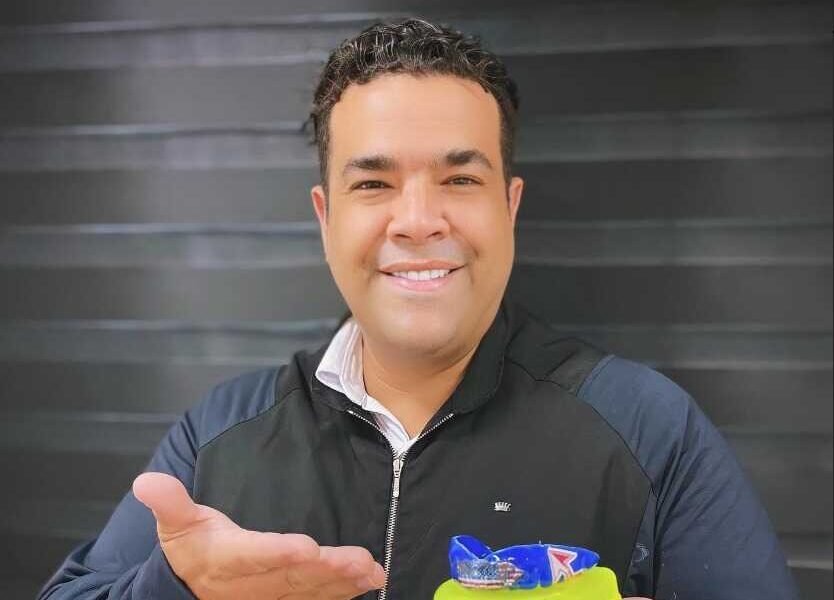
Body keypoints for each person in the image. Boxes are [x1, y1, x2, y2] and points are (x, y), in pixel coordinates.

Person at [39, 18, 798, 600]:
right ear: (325, 217)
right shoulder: (219, 435)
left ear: (509, 207)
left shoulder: (648, 430)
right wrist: (176, 588)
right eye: (373, 184)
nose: (417, 221)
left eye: (460, 181)